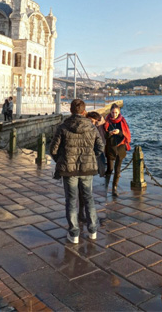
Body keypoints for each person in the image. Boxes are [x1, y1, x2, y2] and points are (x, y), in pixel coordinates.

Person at [50, 99, 104, 244]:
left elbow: (53, 150)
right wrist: (90, 158)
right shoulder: (92, 127)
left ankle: (74, 233)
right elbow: (100, 147)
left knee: (71, 200)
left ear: (71, 110)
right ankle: (93, 230)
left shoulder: (63, 127)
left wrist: (62, 161)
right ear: (83, 111)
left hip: (69, 169)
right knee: (89, 198)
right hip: (87, 168)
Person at [104, 103, 131, 197]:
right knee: (110, 168)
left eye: (115, 113)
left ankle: (114, 188)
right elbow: (104, 135)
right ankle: (106, 185)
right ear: (110, 112)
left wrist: (119, 132)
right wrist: (110, 133)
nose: (114, 115)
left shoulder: (123, 121)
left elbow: (126, 134)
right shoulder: (106, 121)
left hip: (120, 147)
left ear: (119, 112)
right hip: (110, 147)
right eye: (112, 112)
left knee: (117, 169)